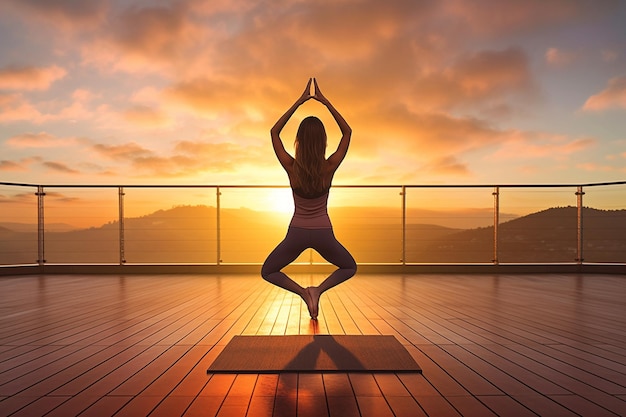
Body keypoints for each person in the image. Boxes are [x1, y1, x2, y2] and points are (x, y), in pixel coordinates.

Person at [261, 78, 357, 320]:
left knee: (268, 270)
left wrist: (299, 102)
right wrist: (325, 103)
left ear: (299, 141)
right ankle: (318, 291)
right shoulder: (330, 167)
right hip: (324, 232)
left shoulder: (292, 167)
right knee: (349, 266)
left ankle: (304, 293)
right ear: (323, 142)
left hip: (297, 233)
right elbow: (347, 132)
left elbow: (274, 132)